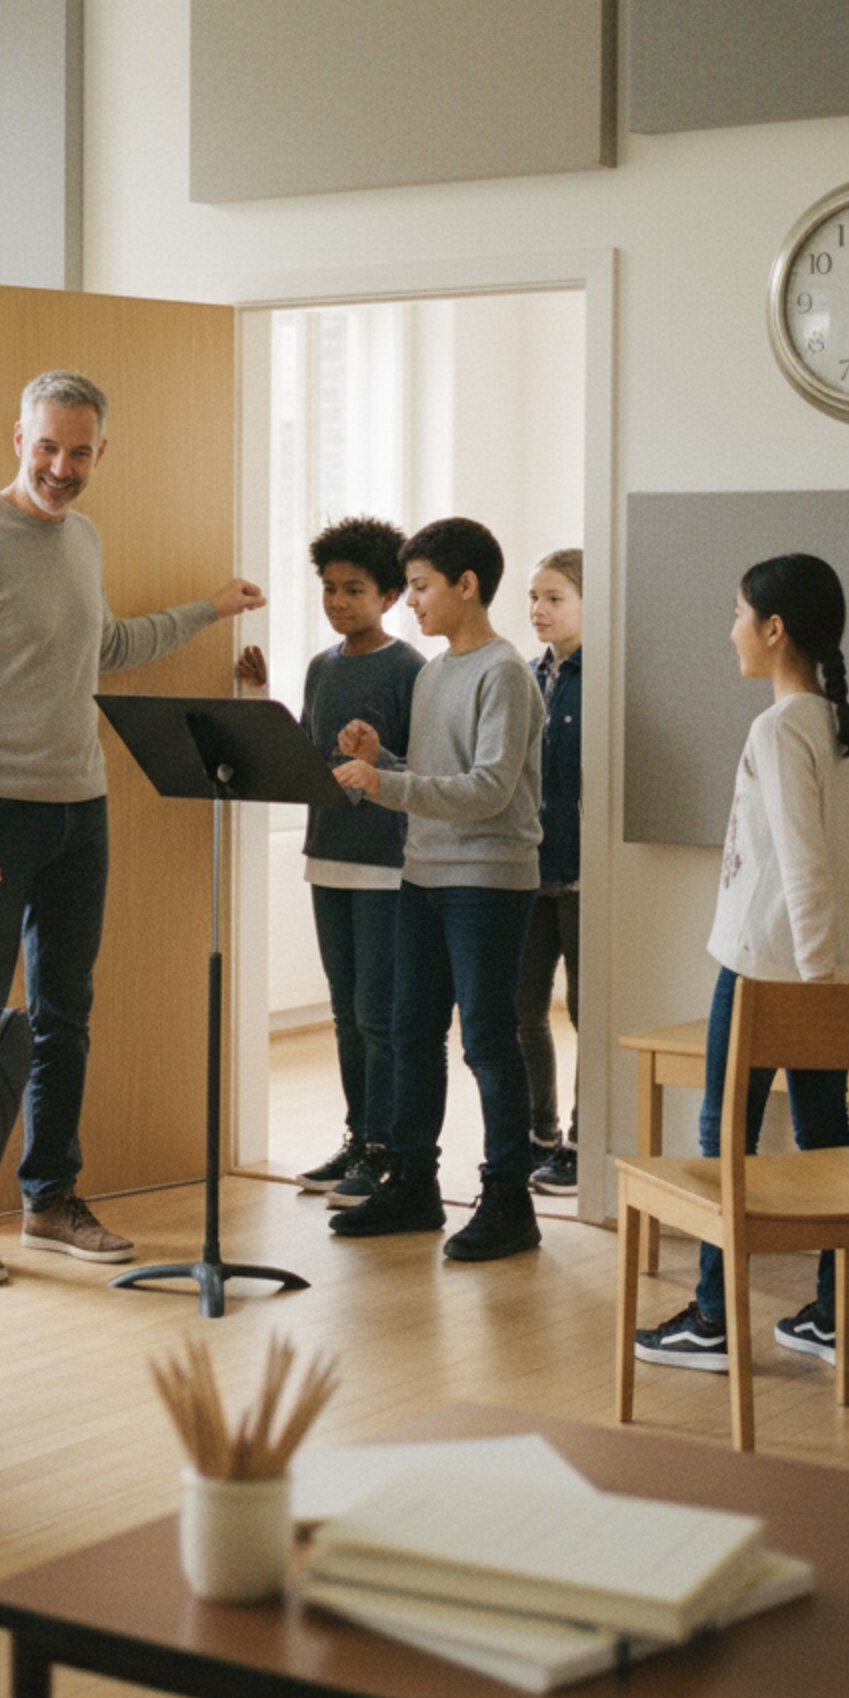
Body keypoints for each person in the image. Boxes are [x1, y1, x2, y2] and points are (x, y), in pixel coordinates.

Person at [0, 369, 264, 1282]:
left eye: (78, 452)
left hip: (81, 809)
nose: (60, 467)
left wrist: (210, 612)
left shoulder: (84, 538)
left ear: (101, 452)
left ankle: (48, 1198)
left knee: (67, 1015)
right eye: (45, 448)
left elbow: (104, 646)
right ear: (17, 439)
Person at [635, 552, 849, 1374]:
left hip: (764, 971)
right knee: (828, 1142)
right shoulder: (842, 723)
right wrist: (842, 966)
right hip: (824, 970)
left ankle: (712, 1320)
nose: (730, 629)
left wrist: (815, 983)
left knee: (724, 1139)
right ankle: (835, 1317)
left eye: (739, 614)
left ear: (774, 630)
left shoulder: (778, 728)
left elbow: (807, 863)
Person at [327, 516, 544, 1262]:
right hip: (423, 873)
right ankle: (414, 1183)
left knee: (487, 1038)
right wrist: (379, 753)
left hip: (486, 878)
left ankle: (510, 1199)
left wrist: (384, 781)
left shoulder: (504, 672)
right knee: (412, 1028)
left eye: (419, 587)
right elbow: (435, 773)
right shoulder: (436, 671)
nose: (410, 602)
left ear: (467, 585)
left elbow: (485, 790)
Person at [233, 516, 423, 1209]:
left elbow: (420, 773)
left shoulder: (409, 670)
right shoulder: (322, 666)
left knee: (378, 1015)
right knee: (347, 1015)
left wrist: (379, 758)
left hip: (385, 865)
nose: (340, 602)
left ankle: (385, 1151)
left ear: (392, 595)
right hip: (328, 859)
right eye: (330, 589)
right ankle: (357, 1137)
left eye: (355, 589)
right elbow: (312, 762)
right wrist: (263, 702)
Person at [521, 549, 584, 1197]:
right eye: (533, 597)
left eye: (555, 597)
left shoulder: (603, 676)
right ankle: (536, 1132)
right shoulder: (529, 675)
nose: (538, 609)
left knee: (586, 1012)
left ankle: (581, 1141)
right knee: (521, 1010)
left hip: (585, 875)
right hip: (528, 868)